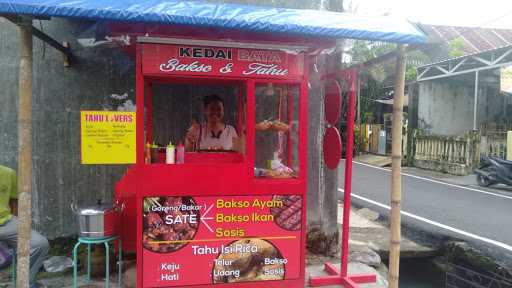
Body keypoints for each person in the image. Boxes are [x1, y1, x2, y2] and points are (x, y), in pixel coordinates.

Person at [0, 165, 49, 288]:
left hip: (6, 221)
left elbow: (14, 202)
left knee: (39, 244)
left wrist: (17, 223)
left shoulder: (8, 173)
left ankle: (25, 282)